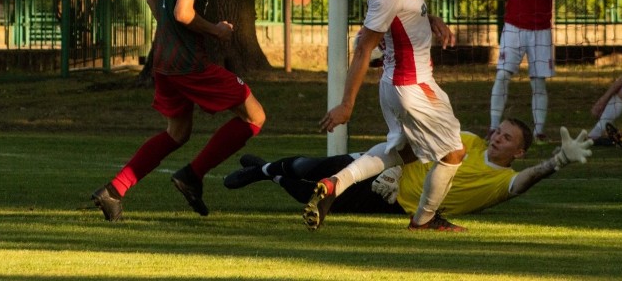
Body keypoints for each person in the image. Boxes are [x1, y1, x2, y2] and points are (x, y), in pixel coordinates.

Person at [91, 0, 266, 221]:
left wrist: (170, 34)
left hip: (164, 60)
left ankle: (113, 191)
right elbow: (184, 13)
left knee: (178, 132)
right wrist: (216, 30)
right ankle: (191, 175)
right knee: (255, 117)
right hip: (188, 64)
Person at [303, 0, 466, 232]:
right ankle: (425, 219)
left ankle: (336, 183)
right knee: (453, 152)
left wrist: (427, 18)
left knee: (403, 151)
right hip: (412, 85)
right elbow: (364, 46)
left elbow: (395, 19)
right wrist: (346, 105)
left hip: (397, 83)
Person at [227, 118, 592, 216]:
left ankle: (266, 173)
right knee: (311, 163)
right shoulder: (470, 139)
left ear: (520, 152)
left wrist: (557, 162)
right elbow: (422, 143)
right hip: (387, 168)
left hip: (393, 201)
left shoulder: (503, 181)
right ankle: (263, 169)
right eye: (499, 131)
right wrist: (393, 166)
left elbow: (525, 182)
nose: (498, 138)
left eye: (508, 138)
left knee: (312, 193)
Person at [467, 0, 580, 142]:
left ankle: (539, 131)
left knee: (538, 82)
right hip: (513, 28)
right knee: (502, 75)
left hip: (541, 31)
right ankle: (493, 126)